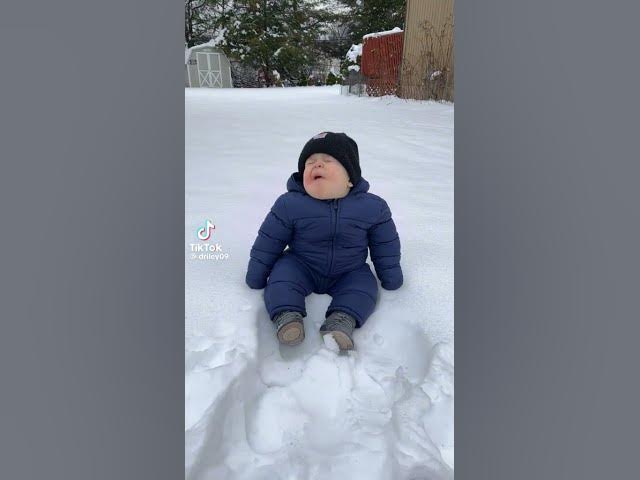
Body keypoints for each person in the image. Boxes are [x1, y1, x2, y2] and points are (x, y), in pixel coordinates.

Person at [246, 132, 403, 351]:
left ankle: (342, 319)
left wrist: (391, 276)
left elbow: (385, 246)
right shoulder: (290, 204)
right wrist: (256, 276)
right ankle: (287, 316)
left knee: (364, 287)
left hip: (349, 269)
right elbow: (268, 242)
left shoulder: (373, 208)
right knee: (282, 278)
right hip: (302, 264)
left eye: (328, 161)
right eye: (310, 163)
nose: (317, 164)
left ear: (350, 178)